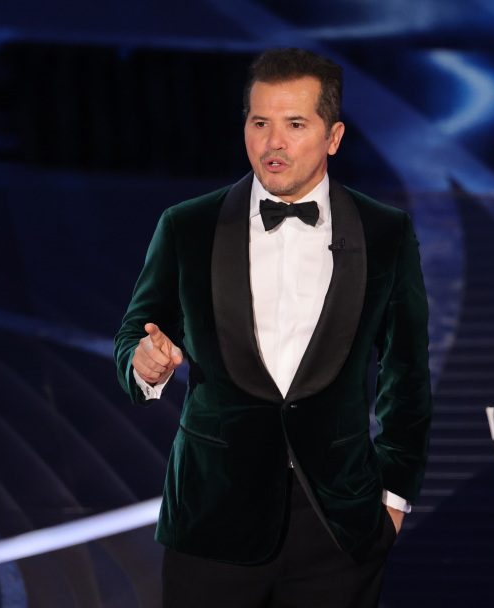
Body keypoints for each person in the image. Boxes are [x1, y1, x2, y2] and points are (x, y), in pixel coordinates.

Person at [114, 47, 431, 608]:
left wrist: (394, 500)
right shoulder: (188, 226)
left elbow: (406, 376)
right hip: (212, 519)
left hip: (339, 524)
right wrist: (143, 364)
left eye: (294, 124)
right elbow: (135, 335)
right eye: (260, 123)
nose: (273, 142)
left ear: (333, 137)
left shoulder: (386, 234)